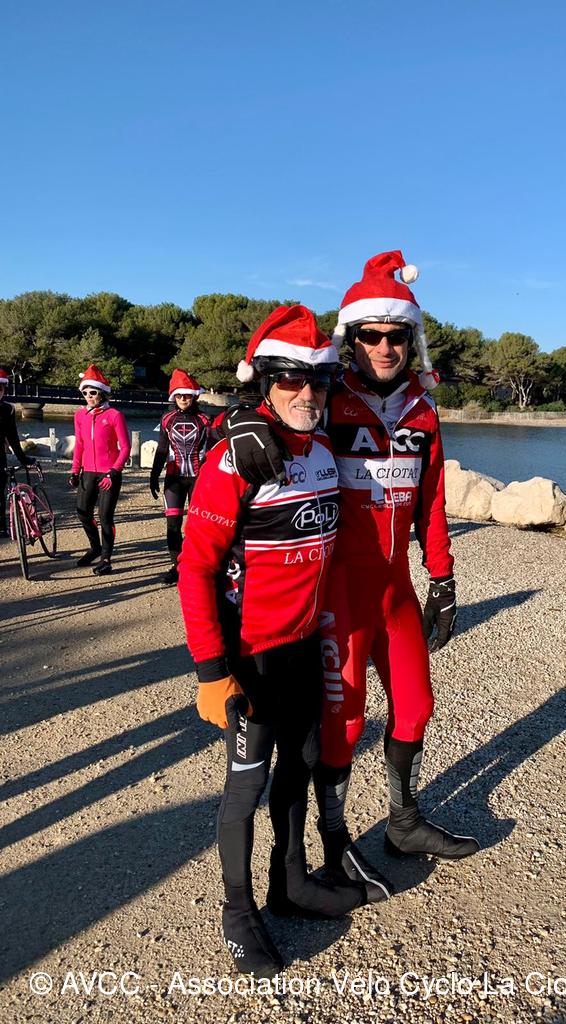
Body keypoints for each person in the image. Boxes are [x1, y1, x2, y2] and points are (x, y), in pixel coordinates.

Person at [224, 252, 479, 901]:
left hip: (396, 586)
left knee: (417, 708)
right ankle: (335, 844)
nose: (385, 347)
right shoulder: (328, 396)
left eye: (397, 336)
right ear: (351, 338)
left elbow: (432, 501)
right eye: (371, 335)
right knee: (343, 724)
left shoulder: (424, 411)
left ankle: (403, 823)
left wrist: (443, 578)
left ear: (411, 339)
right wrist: (240, 418)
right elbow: (270, 406)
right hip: (338, 589)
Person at [178, 305, 376, 980]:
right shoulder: (237, 458)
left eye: (317, 380)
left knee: (302, 763)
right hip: (251, 655)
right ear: (263, 381)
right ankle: (237, 913)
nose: (306, 392)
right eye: (289, 378)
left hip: (302, 646)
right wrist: (211, 670)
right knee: (247, 785)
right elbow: (195, 568)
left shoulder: (322, 452)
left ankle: (289, 884)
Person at [149, 369, 211, 586]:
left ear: (194, 396)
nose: (183, 399)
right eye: (179, 395)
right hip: (173, 479)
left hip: (198, 479)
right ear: (173, 397)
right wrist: (154, 476)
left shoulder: (205, 420)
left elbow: (213, 452)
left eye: (187, 395)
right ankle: (176, 566)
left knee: (196, 526)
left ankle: (196, 565)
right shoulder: (167, 419)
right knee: (173, 525)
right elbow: (162, 449)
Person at [70, 365, 130, 575]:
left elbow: (125, 447)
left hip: (109, 474)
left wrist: (114, 471)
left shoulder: (114, 415)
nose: (89, 396)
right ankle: (95, 547)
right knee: (83, 512)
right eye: (85, 393)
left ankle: (106, 558)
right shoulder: (80, 415)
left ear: (102, 393)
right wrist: (74, 471)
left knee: (105, 517)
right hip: (87, 472)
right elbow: (80, 445)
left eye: (93, 392)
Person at [0, 368, 35, 536]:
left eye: (0, 388)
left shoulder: (8, 409)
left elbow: (12, 436)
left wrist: (22, 458)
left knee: (0, 492)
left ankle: (2, 526)